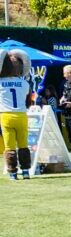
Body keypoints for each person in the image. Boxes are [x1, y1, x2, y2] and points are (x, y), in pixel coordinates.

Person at [0, 50, 32, 180]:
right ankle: (25, 171)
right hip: (21, 115)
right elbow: (28, 101)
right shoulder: (25, 83)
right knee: (23, 144)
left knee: (9, 146)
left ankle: (13, 172)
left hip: (6, 115)